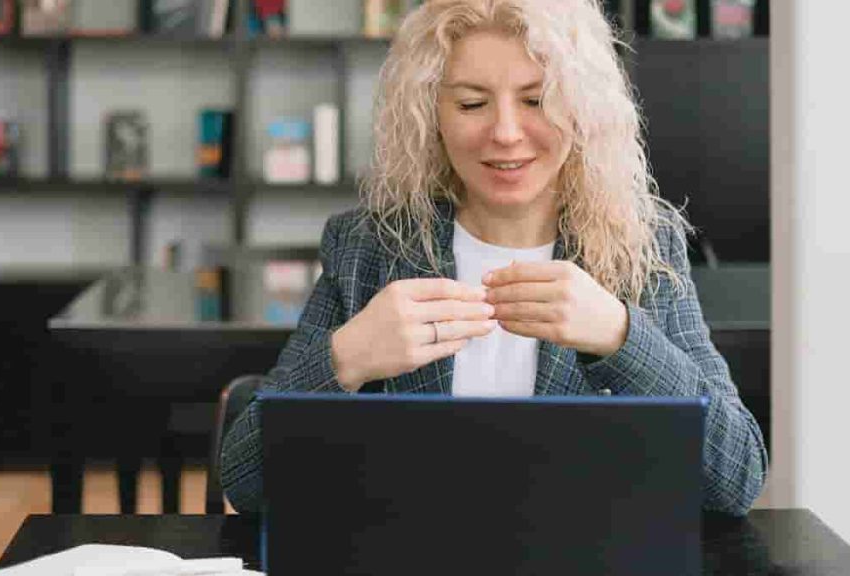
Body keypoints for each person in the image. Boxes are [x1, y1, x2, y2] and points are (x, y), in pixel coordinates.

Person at [221, 0, 767, 517]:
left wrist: (624, 337)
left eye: (536, 100)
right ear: (429, 115)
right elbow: (245, 481)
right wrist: (347, 360)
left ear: (582, 107)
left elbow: (735, 480)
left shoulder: (643, 244)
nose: (505, 134)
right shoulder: (368, 245)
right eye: (471, 104)